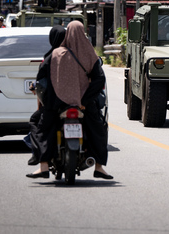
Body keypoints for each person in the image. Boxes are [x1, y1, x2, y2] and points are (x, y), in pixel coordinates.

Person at [27, 21, 112, 180]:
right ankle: (99, 167)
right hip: (83, 106)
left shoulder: (56, 54)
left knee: (42, 126)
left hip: (56, 104)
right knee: (98, 128)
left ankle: (43, 166)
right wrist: (84, 101)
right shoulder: (90, 54)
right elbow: (99, 80)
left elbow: (41, 78)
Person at [26, 25, 66, 165]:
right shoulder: (75, 55)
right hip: (77, 103)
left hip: (53, 104)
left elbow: (42, 84)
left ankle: (39, 156)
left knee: (35, 121)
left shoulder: (49, 58)